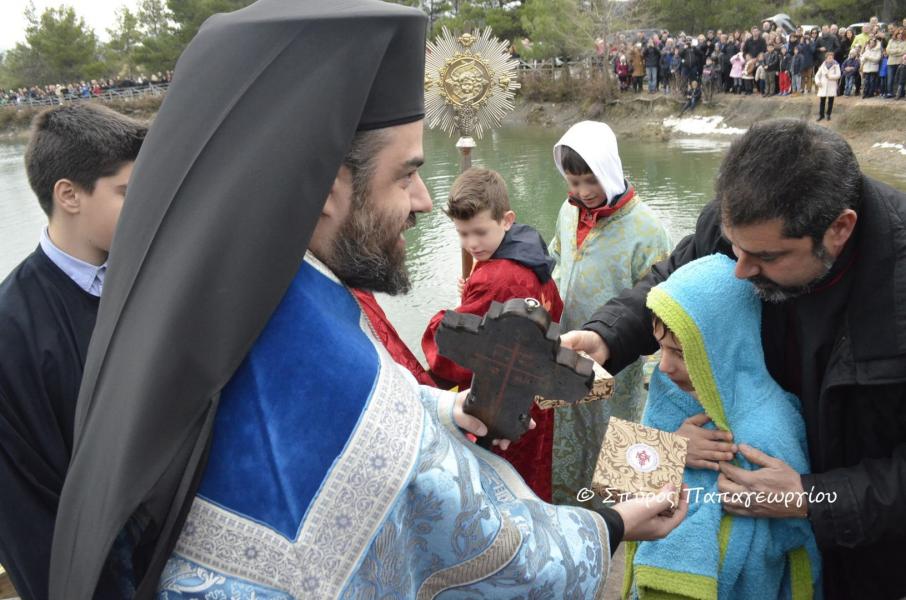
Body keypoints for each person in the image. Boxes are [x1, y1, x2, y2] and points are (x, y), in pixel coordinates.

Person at [48, 3, 688, 599]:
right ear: (327, 187)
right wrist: (611, 523)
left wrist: (442, 407)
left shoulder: (220, 290)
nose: (424, 201)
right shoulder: (324, 356)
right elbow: (497, 549)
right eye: (406, 174)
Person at [560, 118, 906, 599]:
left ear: (839, 229)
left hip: (864, 556)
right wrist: (606, 336)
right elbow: (675, 285)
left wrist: (814, 499)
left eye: (765, 257)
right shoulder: (741, 228)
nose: (739, 270)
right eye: (733, 247)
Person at [0, 104, 146, 600]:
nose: (147, 207)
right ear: (69, 195)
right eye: (127, 193)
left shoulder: (154, 284)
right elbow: (25, 511)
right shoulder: (11, 332)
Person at [627, 254, 822, 599]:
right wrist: (669, 449)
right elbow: (623, 477)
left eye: (681, 353)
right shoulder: (667, 391)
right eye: (661, 349)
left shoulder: (769, 424)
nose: (665, 366)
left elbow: (796, 528)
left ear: (724, 348)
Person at [547, 121, 671, 507]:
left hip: (621, 360)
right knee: (568, 435)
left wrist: (655, 369)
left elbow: (661, 306)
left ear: (610, 170)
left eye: (591, 180)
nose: (583, 192)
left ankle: (622, 521)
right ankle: (571, 514)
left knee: (617, 442)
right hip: (568, 349)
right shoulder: (567, 213)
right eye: (573, 182)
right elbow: (556, 262)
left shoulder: (647, 229)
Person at [421, 166, 563, 500]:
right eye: (462, 233)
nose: (471, 243)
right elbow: (555, 307)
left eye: (480, 232)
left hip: (500, 404)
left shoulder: (498, 277)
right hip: (534, 393)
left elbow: (453, 345)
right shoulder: (530, 251)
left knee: (500, 486)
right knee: (531, 475)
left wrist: (464, 302)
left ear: (506, 220)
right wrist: (474, 290)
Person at [815, 53, 841, 121]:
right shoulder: (822, 65)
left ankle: (828, 114)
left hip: (831, 85)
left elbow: (838, 75)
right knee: (822, 101)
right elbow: (817, 75)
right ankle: (821, 115)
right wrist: (818, 82)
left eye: (832, 58)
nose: (831, 59)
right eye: (829, 58)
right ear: (826, 58)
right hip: (823, 85)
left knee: (830, 101)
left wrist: (830, 77)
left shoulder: (836, 65)